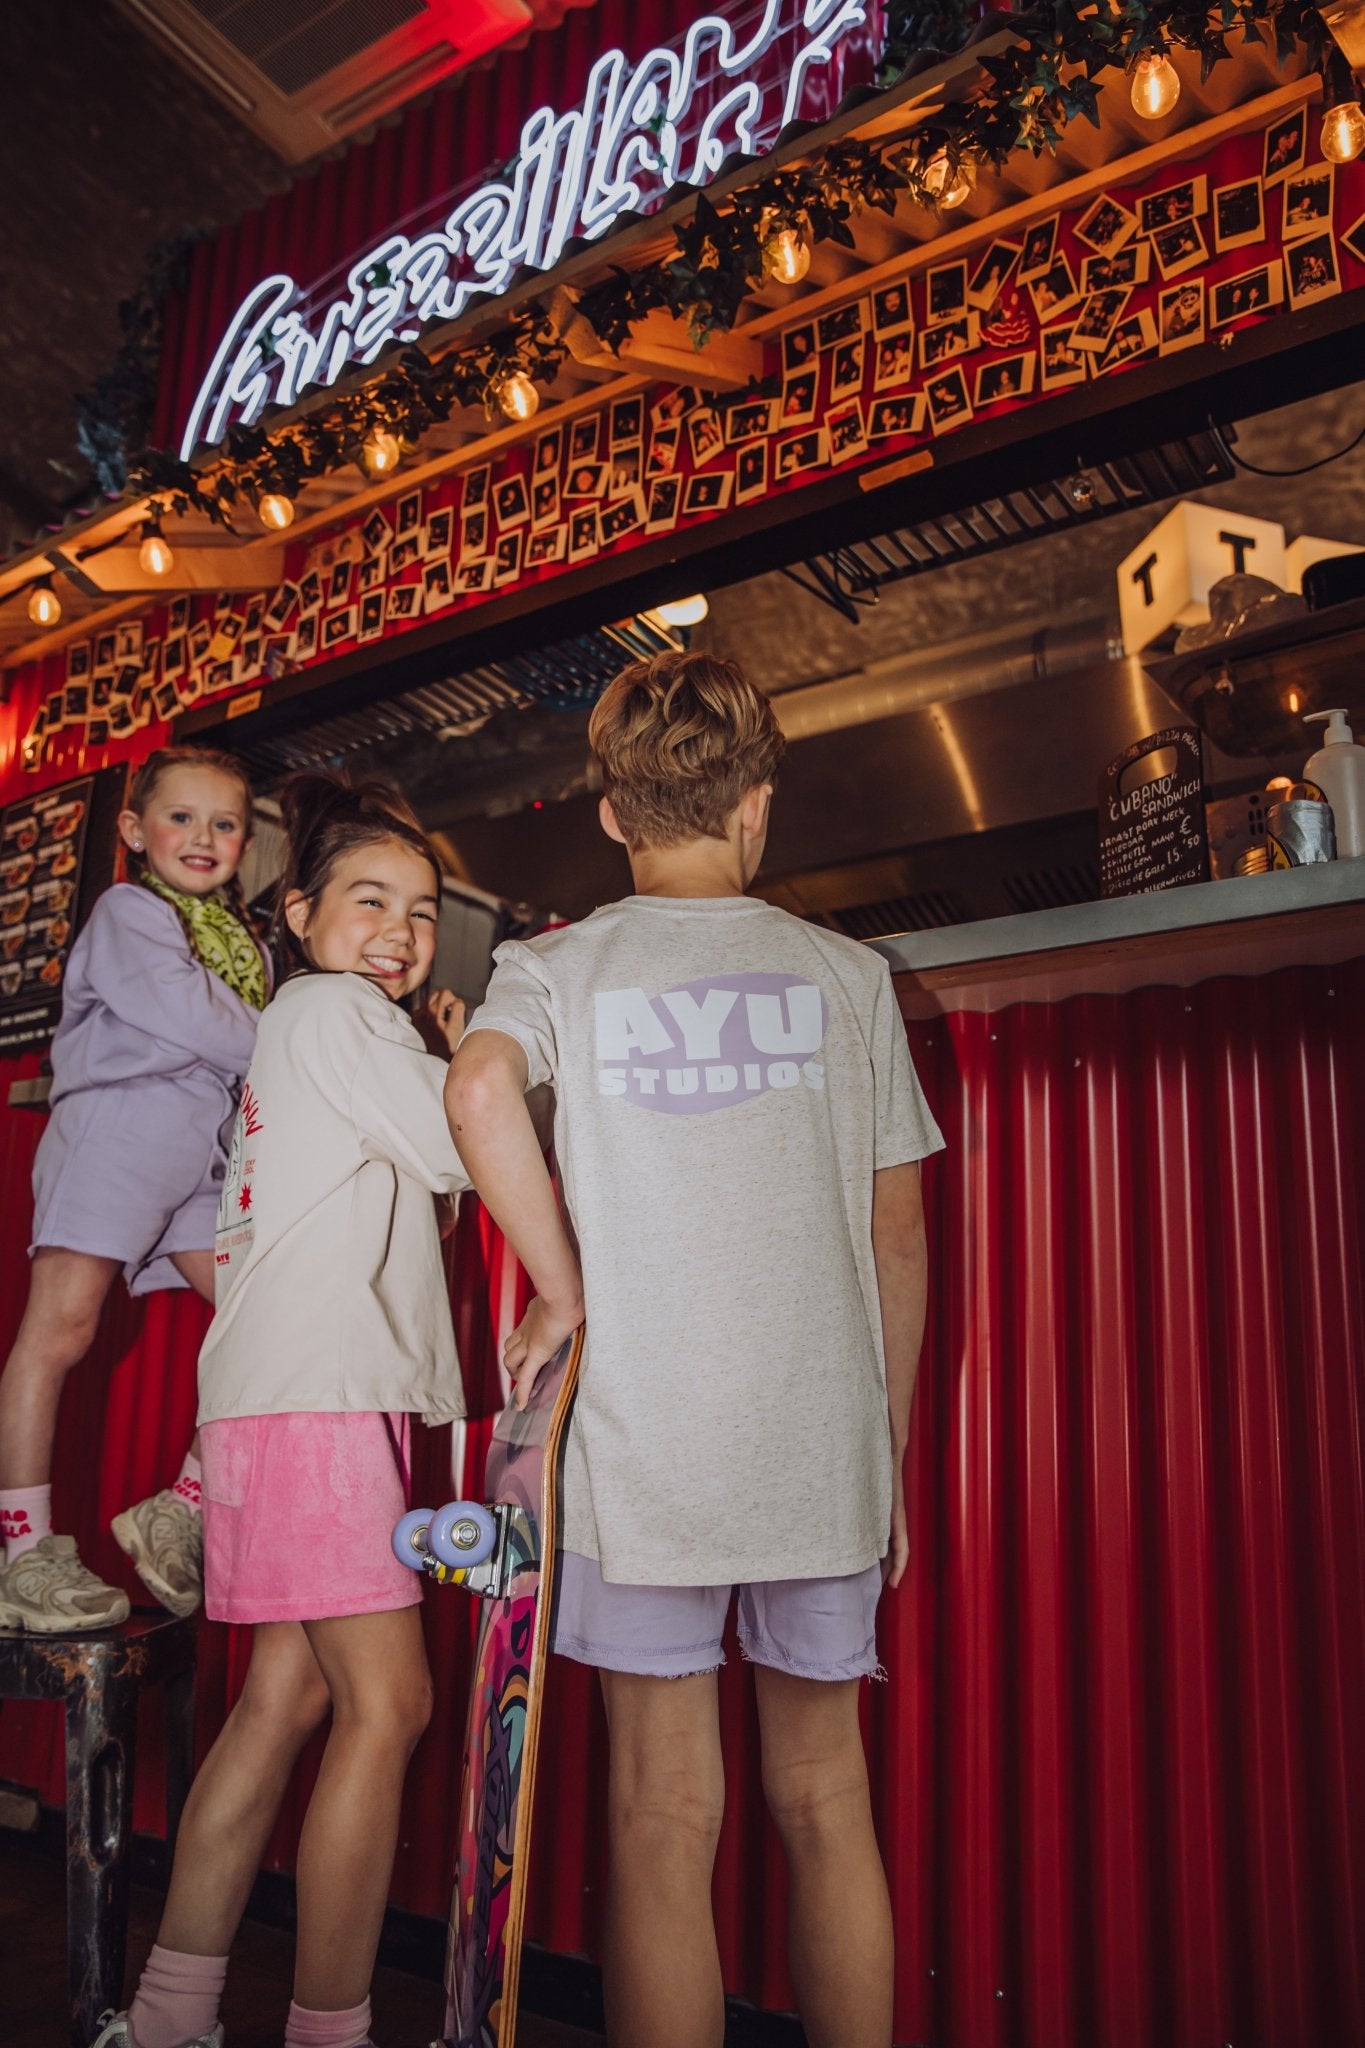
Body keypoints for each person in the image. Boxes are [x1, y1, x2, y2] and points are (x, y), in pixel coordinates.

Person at [445, 651, 944, 2048]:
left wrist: (561, 1289)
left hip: (638, 1453)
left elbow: (475, 1088)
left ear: (611, 814)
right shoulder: (849, 976)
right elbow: (898, 1241)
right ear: (757, 803)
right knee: (825, 1799)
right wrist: (889, 1459)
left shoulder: (556, 967)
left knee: (663, 1815)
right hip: (815, 1447)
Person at [93, 772, 469, 2048]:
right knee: (389, 1704)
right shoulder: (343, 1013)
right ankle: (328, 2030)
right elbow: (464, 1147)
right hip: (319, 1404)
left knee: (281, 1704)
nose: (400, 933)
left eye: (422, 911)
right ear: (299, 912)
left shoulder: (305, 1024)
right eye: (370, 900)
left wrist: (434, 1054)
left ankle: (167, 2019)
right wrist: (482, 1052)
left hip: (267, 1407)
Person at [0, 746, 268, 1631]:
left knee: (263, 1314)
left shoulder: (240, 939)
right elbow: (187, 1014)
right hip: (117, 1135)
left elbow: (228, 1037)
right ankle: (22, 1549)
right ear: (134, 829)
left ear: (246, 841)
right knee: (61, 1329)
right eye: (181, 817)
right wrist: (296, 1042)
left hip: (200, 1152)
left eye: (224, 823)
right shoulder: (129, 909)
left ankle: (180, 1507)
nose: (203, 836)